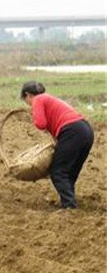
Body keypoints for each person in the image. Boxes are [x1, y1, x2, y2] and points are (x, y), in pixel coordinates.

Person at [21, 81, 93, 209]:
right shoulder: (50, 98)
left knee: (58, 171)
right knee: (70, 171)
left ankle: (69, 206)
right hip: (86, 130)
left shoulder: (37, 99)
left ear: (27, 95)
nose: (27, 103)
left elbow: (41, 123)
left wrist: (34, 115)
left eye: (25, 100)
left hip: (72, 131)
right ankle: (69, 201)